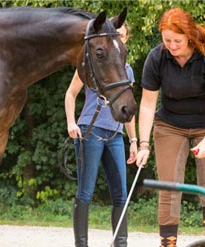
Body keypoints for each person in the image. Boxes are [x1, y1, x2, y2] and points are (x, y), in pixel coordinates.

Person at [136, 8, 205, 247]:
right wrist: (143, 144)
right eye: (167, 40)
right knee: (168, 189)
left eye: (177, 41)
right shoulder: (157, 57)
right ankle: (168, 244)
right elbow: (147, 105)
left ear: (189, 36)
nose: (172, 46)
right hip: (170, 125)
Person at [65, 22, 137, 247]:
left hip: (116, 134)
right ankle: (82, 244)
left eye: (124, 36)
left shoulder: (127, 70)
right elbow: (70, 94)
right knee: (85, 191)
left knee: (121, 194)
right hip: (91, 129)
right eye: (118, 35)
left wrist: (133, 140)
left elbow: (128, 109)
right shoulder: (92, 62)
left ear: (127, 39)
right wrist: (71, 122)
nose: (121, 39)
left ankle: (120, 243)